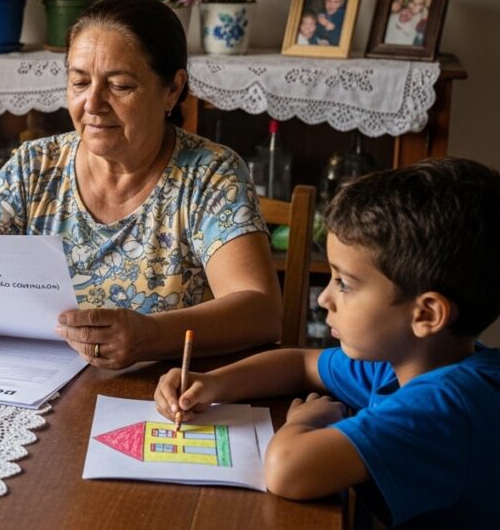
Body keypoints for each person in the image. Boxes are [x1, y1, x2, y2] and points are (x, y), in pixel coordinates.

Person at [0, 0, 282, 369]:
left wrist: (150, 336)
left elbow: (260, 309)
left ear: (172, 89)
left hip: (159, 395)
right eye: (80, 82)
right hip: (38, 385)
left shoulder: (209, 175)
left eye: (119, 85)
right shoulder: (35, 166)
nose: (92, 104)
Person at [154, 158, 500, 528]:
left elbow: (287, 470)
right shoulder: (404, 359)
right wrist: (214, 383)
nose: (324, 299)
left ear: (426, 314)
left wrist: (304, 421)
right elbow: (299, 363)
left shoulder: (445, 408)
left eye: (345, 284)